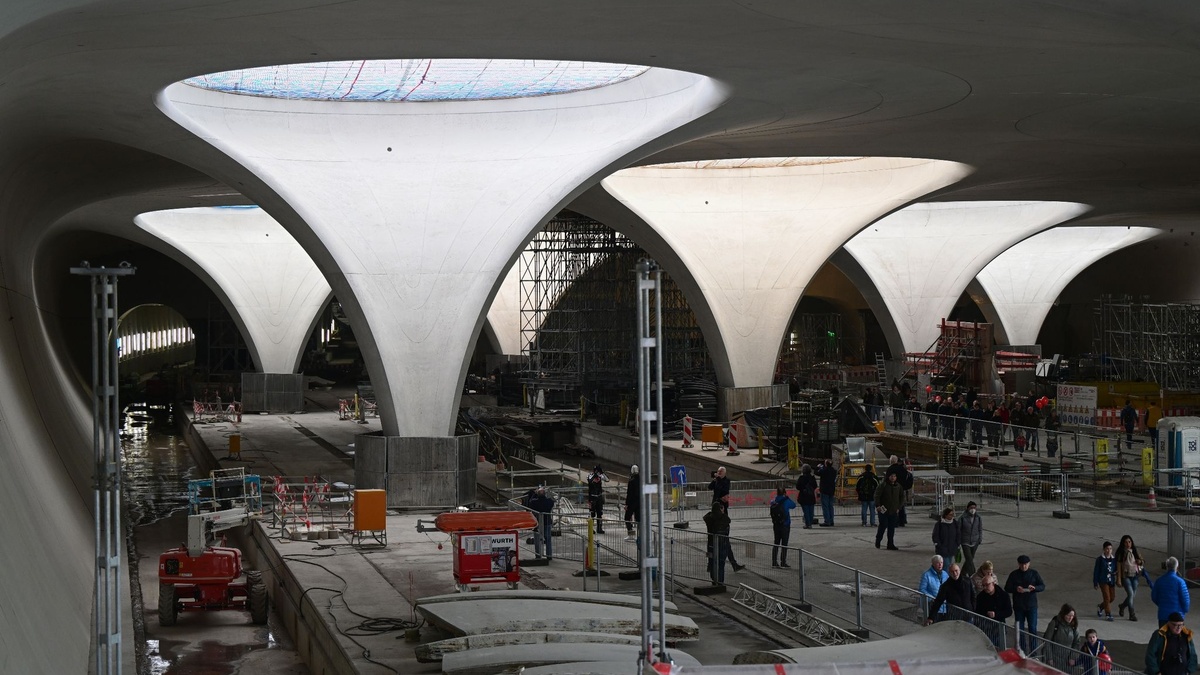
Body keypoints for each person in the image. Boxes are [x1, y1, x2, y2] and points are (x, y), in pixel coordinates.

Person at [1005, 554, 1047, 653]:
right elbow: (1007, 588)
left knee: (1032, 628)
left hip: (1031, 606)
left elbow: (1042, 586)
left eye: (1026, 564)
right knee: (1020, 629)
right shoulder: (1014, 574)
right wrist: (1016, 589)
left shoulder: (1034, 573)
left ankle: (1033, 651)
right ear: (1018, 564)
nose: (1024, 566)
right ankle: (1021, 650)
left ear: (1029, 564)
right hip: (1019, 606)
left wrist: (1035, 588)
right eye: (1022, 564)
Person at [976, 575, 1014, 649]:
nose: (985, 588)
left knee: (999, 649)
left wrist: (996, 614)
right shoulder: (980, 597)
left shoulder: (1003, 595)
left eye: (987, 585)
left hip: (999, 627)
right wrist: (986, 614)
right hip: (986, 627)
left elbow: (1009, 611)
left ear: (993, 584)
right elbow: (978, 611)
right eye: (983, 585)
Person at [1042, 604, 1081, 672]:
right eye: (1068, 615)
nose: (1070, 618)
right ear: (1063, 614)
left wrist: (1072, 657)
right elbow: (1047, 641)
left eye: (1072, 616)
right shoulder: (1054, 623)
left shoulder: (1074, 626)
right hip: (1054, 658)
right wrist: (1049, 658)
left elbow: (1076, 643)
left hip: (1067, 660)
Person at [1153, 557, 1192, 625]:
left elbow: (1154, 596)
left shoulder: (1159, 580)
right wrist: (1185, 610)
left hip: (1163, 615)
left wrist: (1161, 605)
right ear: (1177, 568)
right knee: (1176, 634)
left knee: (1163, 634)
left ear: (1166, 567)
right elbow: (1185, 599)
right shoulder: (1180, 582)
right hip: (1177, 616)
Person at [521, 485, 555, 560]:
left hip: (537, 523)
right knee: (548, 539)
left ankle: (538, 555)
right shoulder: (549, 502)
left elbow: (530, 502)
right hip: (547, 522)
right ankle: (549, 555)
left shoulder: (534, 502)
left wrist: (535, 493)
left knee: (537, 540)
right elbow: (552, 501)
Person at [1117, 534, 1146, 622]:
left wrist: (1140, 561)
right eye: (1126, 542)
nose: (1128, 544)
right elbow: (1118, 566)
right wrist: (1118, 579)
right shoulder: (1121, 553)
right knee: (1130, 594)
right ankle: (1131, 614)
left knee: (1132, 595)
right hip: (1126, 576)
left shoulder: (1135, 551)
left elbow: (1143, 561)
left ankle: (1122, 606)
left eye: (1129, 542)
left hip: (1135, 575)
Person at [874, 469, 905, 550]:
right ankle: (878, 540)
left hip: (893, 510)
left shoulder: (898, 486)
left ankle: (890, 544)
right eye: (891, 476)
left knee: (891, 528)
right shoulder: (883, 485)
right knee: (883, 526)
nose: (893, 478)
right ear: (888, 477)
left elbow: (902, 497)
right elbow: (877, 495)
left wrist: (899, 507)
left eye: (894, 476)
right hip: (883, 510)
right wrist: (878, 506)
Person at [703, 502, 731, 585]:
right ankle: (720, 581)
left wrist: (714, 511)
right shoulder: (724, 519)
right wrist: (722, 512)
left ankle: (714, 580)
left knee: (712, 562)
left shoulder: (709, 518)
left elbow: (706, 516)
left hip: (711, 544)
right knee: (721, 563)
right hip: (722, 543)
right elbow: (728, 519)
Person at [770, 486, 796, 568]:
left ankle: (774, 562)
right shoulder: (786, 500)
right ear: (785, 493)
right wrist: (787, 497)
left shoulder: (774, 500)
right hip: (785, 524)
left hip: (776, 524)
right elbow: (794, 505)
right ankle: (783, 562)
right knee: (784, 544)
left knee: (776, 543)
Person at [919, 555, 949, 623]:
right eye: (938, 563)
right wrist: (931, 598)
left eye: (941, 562)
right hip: (933, 606)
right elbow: (922, 589)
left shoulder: (945, 574)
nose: (940, 565)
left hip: (944, 607)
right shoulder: (926, 575)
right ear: (933, 563)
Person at [1094, 540, 1118, 621]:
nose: (1109, 550)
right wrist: (1095, 582)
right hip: (1103, 581)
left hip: (1111, 581)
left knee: (1112, 597)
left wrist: (1115, 573)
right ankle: (1108, 614)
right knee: (1107, 597)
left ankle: (1101, 606)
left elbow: (1116, 568)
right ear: (1104, 549)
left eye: (1110, 549)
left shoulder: (1114, 559)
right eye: (1107, 549)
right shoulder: (1100, 560)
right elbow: (1096, 571)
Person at [959, 501, 983, 576]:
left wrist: (980, 539)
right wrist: (958, 541)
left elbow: (980, 529)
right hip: (965, 541)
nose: (973, 509)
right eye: (971, 508)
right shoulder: (962, 517)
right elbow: (959, 530)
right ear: (967, 508)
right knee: (969, 558)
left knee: (970, 559)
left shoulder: (978, 517)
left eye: (974, 508)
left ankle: (962, 574)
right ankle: (973, 574)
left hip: (975, 541)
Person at [586, 464, 609, 533]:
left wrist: (602, 473)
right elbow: (590, 481)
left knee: (599, 513)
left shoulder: (600, 476)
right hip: (592, 497)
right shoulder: (590, 475)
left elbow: (607, 480)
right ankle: (591, 529)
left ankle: (599, 528)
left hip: (599, 497)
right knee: (592, 513)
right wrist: (595, 475)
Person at [816, 458, 838, 526]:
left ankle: (827, 521)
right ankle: (831, 520)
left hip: (824, 490)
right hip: (831, 489)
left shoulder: (824, 470)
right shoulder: (834, 471)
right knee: (830, 506)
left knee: (825, 506)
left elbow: (816, 473)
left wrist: (818, 467)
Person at [796, 464, 818, 529]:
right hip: (811, 496)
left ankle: (807, 524)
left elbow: (798, 487)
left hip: (804, 496)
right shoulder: (812, 478)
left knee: (806, 511)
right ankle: (810, 523)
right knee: (811, 511)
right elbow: (815, 486)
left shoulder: (801, 478)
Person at [624, 464, 640, 541]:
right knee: (639, 519)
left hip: (632, 502)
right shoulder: (641, 480)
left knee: (627, 518)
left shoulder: (631, 481)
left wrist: (627, 504)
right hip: (640, 502)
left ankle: (631, 534)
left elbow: (629, 494)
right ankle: (640, 535)